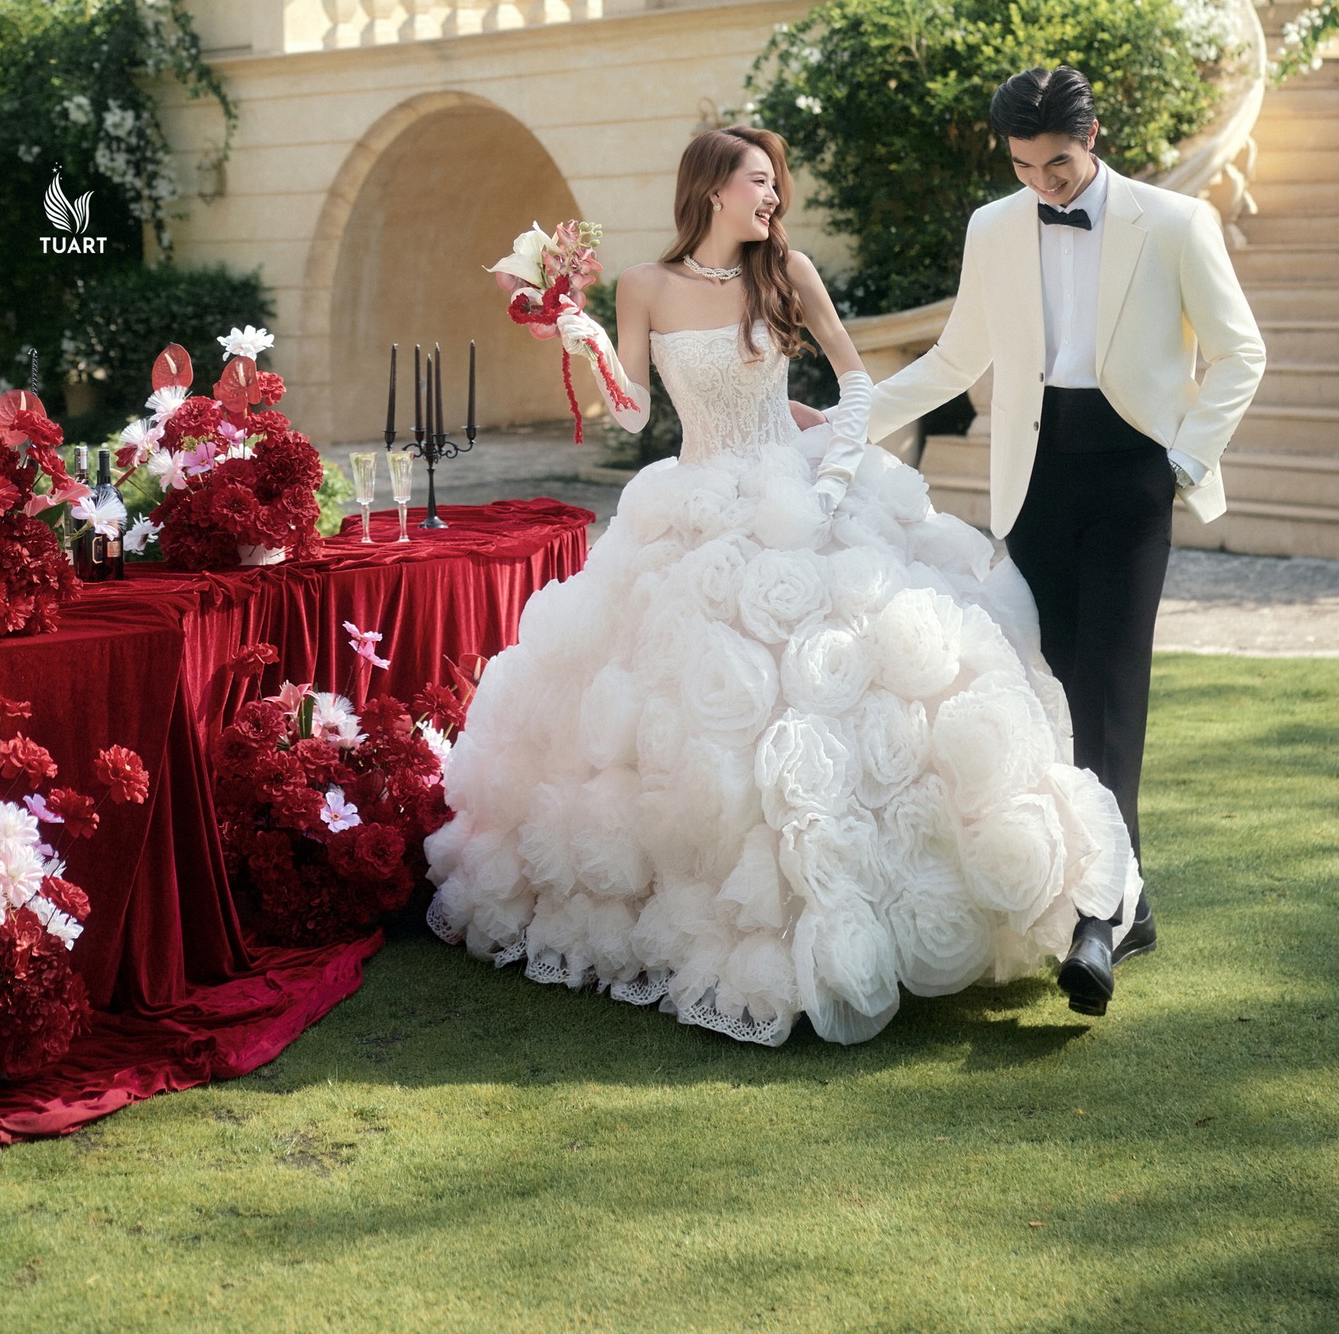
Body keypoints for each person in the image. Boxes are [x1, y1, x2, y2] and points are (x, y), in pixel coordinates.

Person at [426, 125, 1139, 1046]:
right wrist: (590, 342)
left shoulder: (786, 272)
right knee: (686, 716)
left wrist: (833, 477)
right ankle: (726, 910)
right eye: (758, 181)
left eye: (773, 183)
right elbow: (633, 415)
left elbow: (853, 383)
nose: (772, 197)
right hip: (693, 505)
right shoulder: (644, 285)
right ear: (712, 189)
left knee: (855, 683)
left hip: (797, 495)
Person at [866, 67, 1266, 1015]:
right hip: (1034, 484)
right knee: (1053, 688)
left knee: (1111, 690)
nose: (1041, 184)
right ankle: (1132, 900)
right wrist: (848, 423)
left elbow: (1239, 351)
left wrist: (1178, 461)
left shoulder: (1174, 223)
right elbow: (957, 356)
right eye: (1021, 166)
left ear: (1091, 137)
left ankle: (1096, 920)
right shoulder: (993, 227)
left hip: (1132, 478)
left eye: (1055, 165)